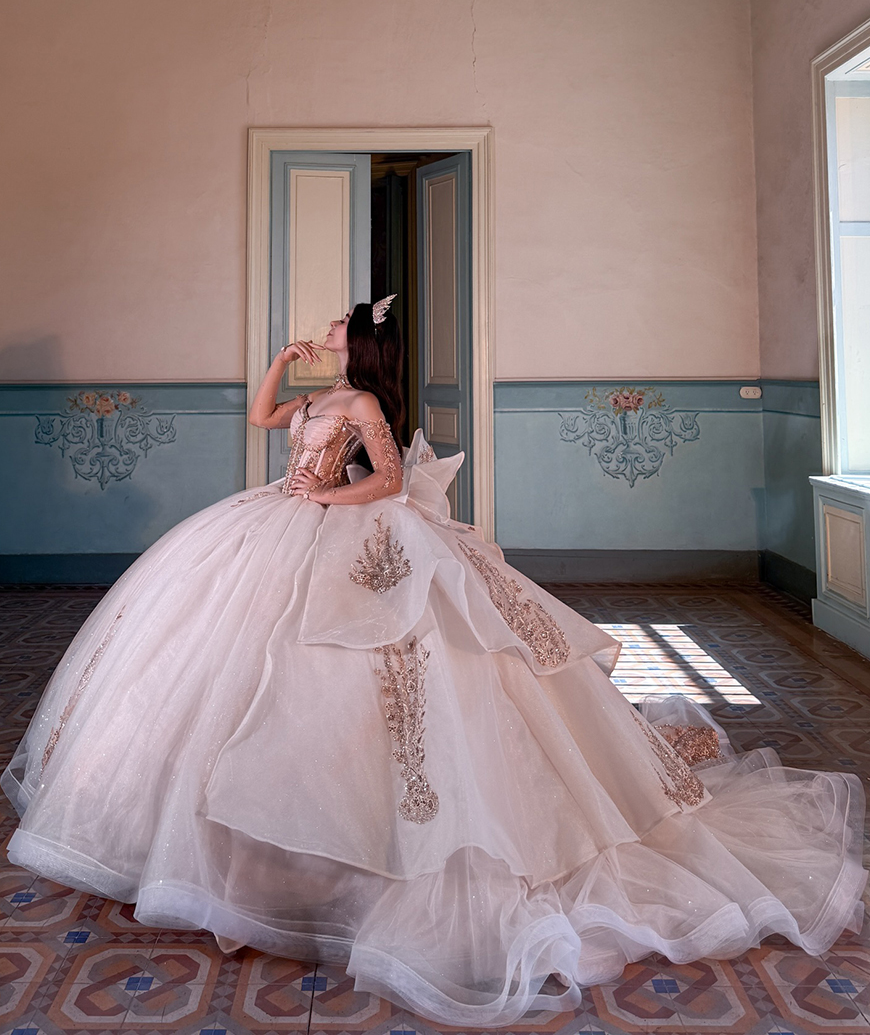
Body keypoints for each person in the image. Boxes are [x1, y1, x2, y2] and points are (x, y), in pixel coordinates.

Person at [3, 295, 866, 1028]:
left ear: (364, 344)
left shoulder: (369, 407)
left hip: (336, 527)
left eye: (342, 323)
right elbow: (264, 420)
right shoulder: (324, 393)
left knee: (374, 669)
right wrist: (280, 363)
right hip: (273, 520)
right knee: (220, 661)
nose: (331, 325)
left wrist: (326, 495)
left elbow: (383, 481)